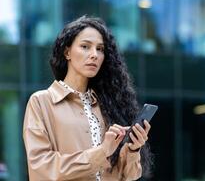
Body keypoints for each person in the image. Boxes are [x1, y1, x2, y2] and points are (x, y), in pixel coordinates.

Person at [23, 16, 153, 181]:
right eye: (85, 46)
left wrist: (133, 149)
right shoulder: (42, 102)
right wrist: (102, 152)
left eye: (100, 49)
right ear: (67, 52)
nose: (94, 55)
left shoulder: (106, 104)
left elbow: (129, 176)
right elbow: (41, 169)